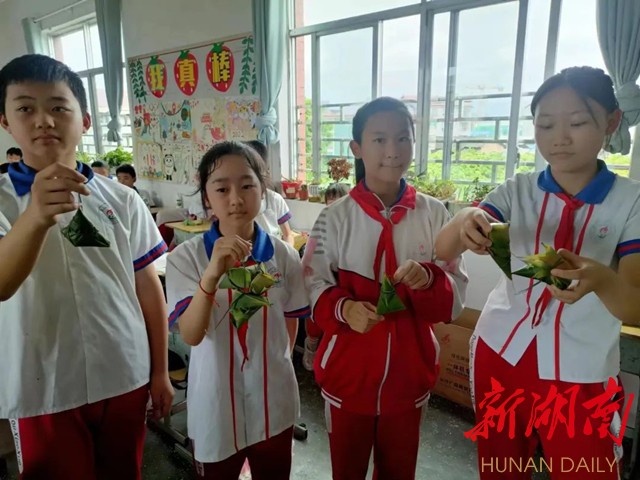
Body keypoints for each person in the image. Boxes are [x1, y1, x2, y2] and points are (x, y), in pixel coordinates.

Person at [435, 66, 640, 480]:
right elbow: (443, 249)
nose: (559, 138)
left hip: (581, 372)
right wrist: (465, 220)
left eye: (577, 123)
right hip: (501, 354)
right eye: (545, 125)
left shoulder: (630, 203)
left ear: (611, 121)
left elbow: (635, 306)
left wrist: (601, 279)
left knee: (586, 470)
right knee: (501, 467)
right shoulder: (518, 190)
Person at [0, 54, 173, 478]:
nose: (44, 120)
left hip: (124, 370)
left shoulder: (122, 199)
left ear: (85, 121)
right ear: (5, 122)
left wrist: (160, 371)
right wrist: (35, 216)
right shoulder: (3, 201)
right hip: (43, 382)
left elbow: (148, 287)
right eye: (25, 108)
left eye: (59, 107)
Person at [305, 97, 467, 480]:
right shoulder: (333, 218)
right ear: (357, 148)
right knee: (347, 470)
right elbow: (310, 284)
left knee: (398, 471)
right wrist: (344, 309)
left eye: (402, 138)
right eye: (379, 140)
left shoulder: (435, 214)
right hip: (347, 377)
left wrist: (429, 280)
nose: (392, 151)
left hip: (409, 379)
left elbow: (456, 298)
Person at [165, 141, 310, 480]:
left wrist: (275, 364)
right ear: (207, 198)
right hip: (215, 405)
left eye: (247, 185)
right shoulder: (186, 259)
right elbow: (191, 334)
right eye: (222, 188)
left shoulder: (284, 256)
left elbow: (291, 321)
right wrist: (211, 275)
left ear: (263, 190)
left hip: (273, 402)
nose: (235, 198)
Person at [302, 182, 349, 371]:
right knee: (316, 311)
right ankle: (312, 343)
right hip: (325, 279)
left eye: (338, 201)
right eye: (330, 202)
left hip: (343, 281)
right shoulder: (323, 222)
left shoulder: (354, 223)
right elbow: (311, 252)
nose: (334, 206)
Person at [244, 140, 295, 246]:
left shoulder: (275, 199)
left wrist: (289, 251)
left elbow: (288, 235)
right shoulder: (236, 202)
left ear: (265, 171)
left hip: (274, 251)